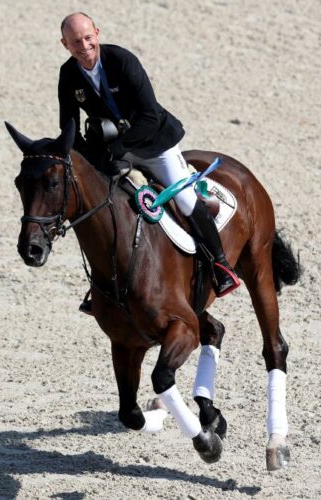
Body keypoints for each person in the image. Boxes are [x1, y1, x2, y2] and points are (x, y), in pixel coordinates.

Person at [57, 12, 239, 312]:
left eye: (88, 38)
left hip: (154, 142)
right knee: (103, 204)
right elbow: (69, 126)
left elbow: (149, 116)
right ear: (65, 44)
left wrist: (116, 150)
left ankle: (220, 266)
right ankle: (101, 285)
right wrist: (84, 157)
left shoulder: (122, 61)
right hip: (115, 146)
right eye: (76, 41)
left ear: (97, 33)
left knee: (183, 199)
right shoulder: (69, 74)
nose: (84, 46)